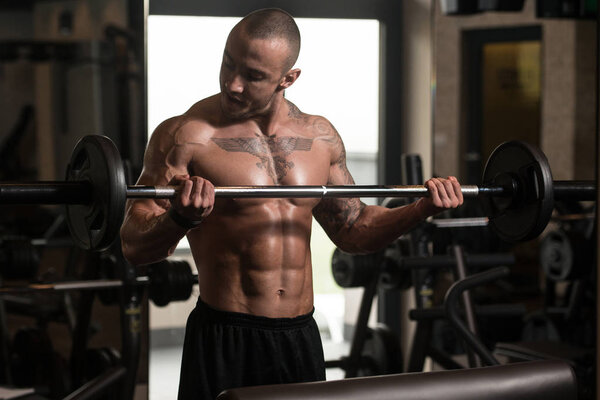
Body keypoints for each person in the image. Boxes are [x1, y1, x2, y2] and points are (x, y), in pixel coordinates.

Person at [120, 8, 463, 400]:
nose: (232, 84)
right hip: (225, 336)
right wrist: (179, 219)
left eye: (252, 76)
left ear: (288, 78)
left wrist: (420, 210)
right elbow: (133, 245)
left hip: (300, 336)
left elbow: (352, 231)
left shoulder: (320, 137)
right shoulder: (185, 135)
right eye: (228, 64)